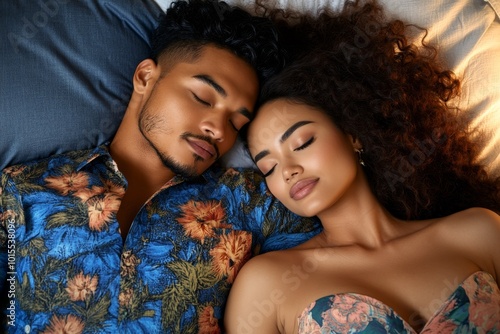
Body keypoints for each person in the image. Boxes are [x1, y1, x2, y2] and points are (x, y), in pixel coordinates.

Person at [0, 0, 321, 332]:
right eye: (203, 98)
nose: (219, 130)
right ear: (145, 77)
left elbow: (347, 260)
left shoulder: (251, 201)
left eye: (236, 123)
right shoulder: (21, 190)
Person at [224, 1, 500, 333]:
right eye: (267, 167)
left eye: (302, 143)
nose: (287, 170)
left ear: (354, 135)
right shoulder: (266, 285)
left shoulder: (479, 233)